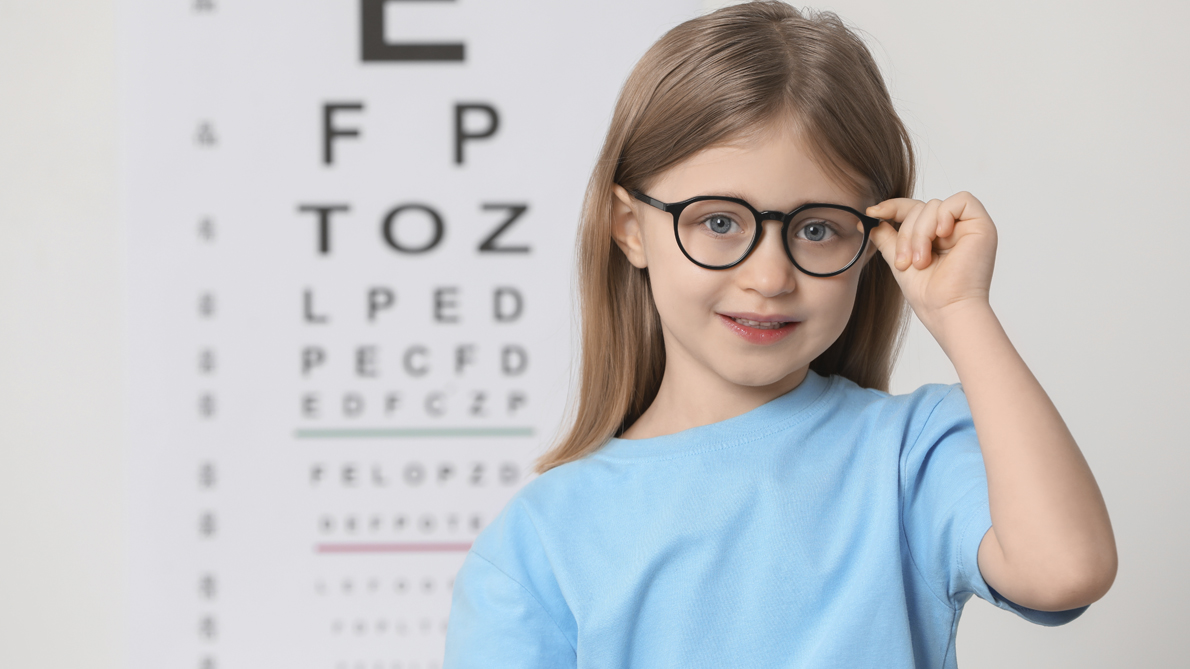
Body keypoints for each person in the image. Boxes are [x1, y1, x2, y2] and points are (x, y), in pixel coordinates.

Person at [442, 2, 1117, 666]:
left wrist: (961, 308)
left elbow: (1064, 569)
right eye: (719, 221)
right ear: (629, 228)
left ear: (871, 241)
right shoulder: (539, 543)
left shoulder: (910, 455)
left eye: (817, 228)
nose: (769, 276)